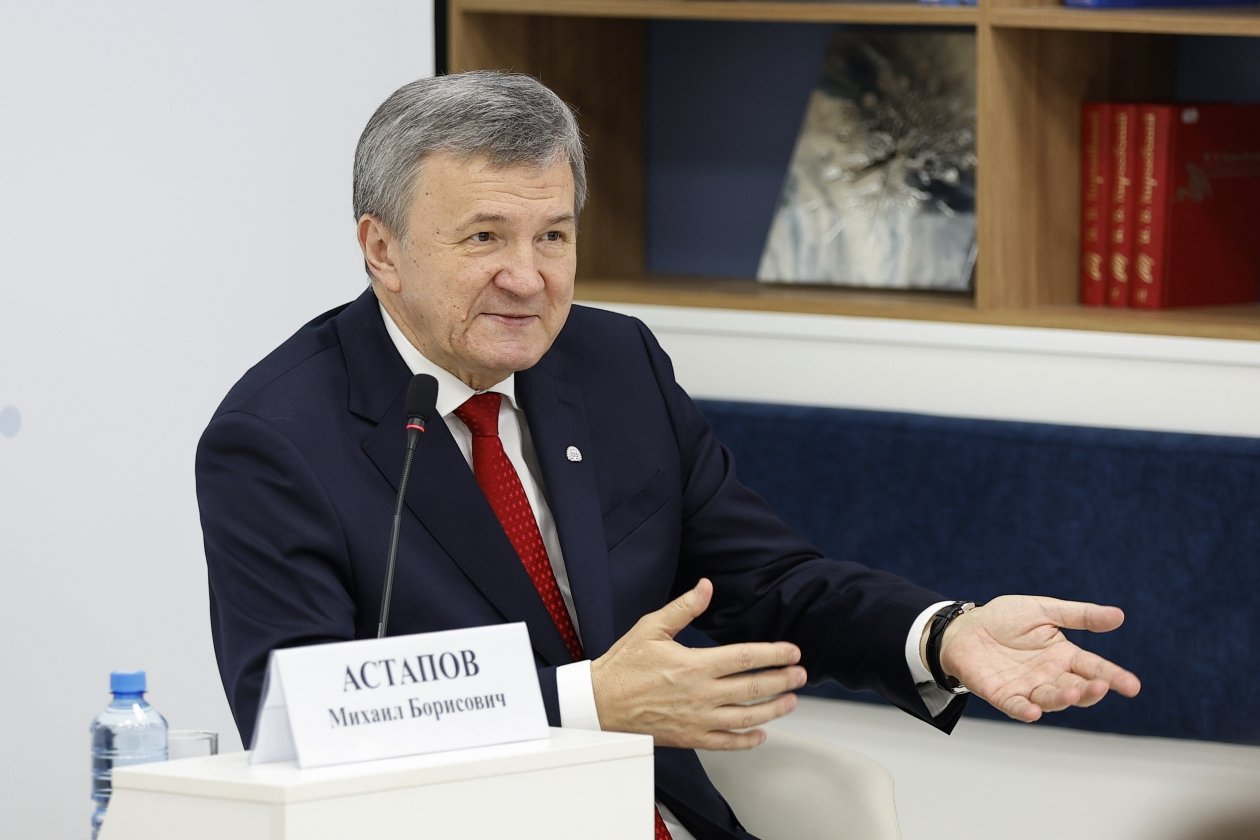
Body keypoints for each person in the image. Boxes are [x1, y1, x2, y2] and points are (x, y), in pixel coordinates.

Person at [195, 71, 1140, 840]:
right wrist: (586, 702)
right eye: (485, 237)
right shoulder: (277, 441)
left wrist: (942, 635)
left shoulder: (611, 363)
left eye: (554, 236)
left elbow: (768, 581)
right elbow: (299, 717)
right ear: (382, 249)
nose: (528, 278)